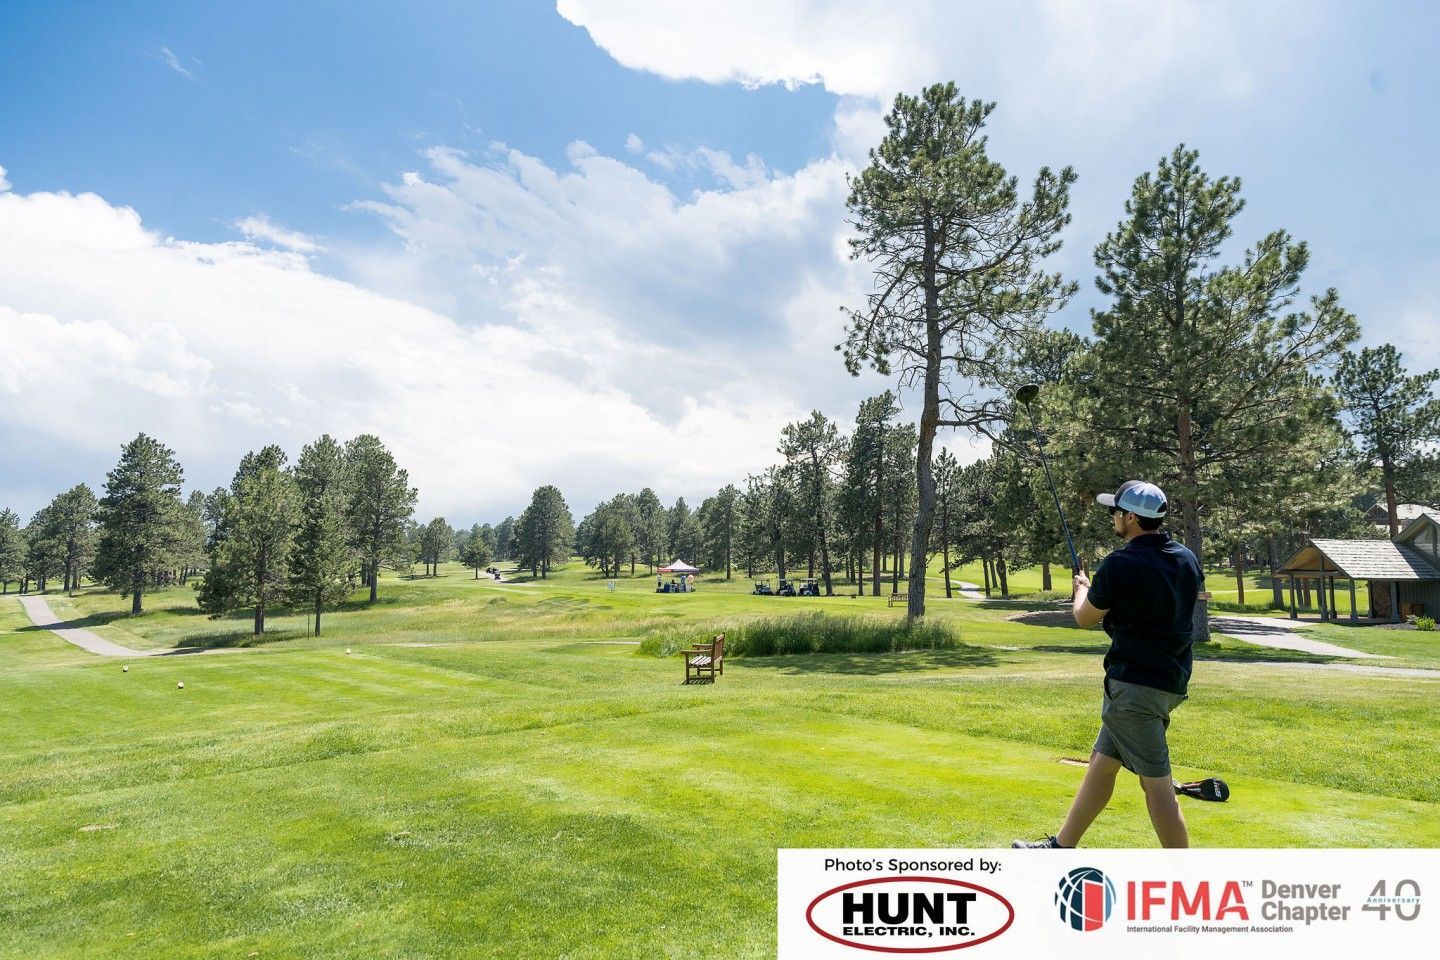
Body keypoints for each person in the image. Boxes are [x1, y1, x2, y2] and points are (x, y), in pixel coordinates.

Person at [1013, 480, 1203, 850]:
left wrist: (1082, 587)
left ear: (1131, 518)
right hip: (1171, 681)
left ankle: (1184, 884)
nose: (1113, 517)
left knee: (1158, 788)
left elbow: (1085, 618)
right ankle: (1061, 847)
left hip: (1134, 687)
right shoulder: (1186, 558)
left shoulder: (1119, 563)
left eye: (1116, 512)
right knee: (1102, 762)